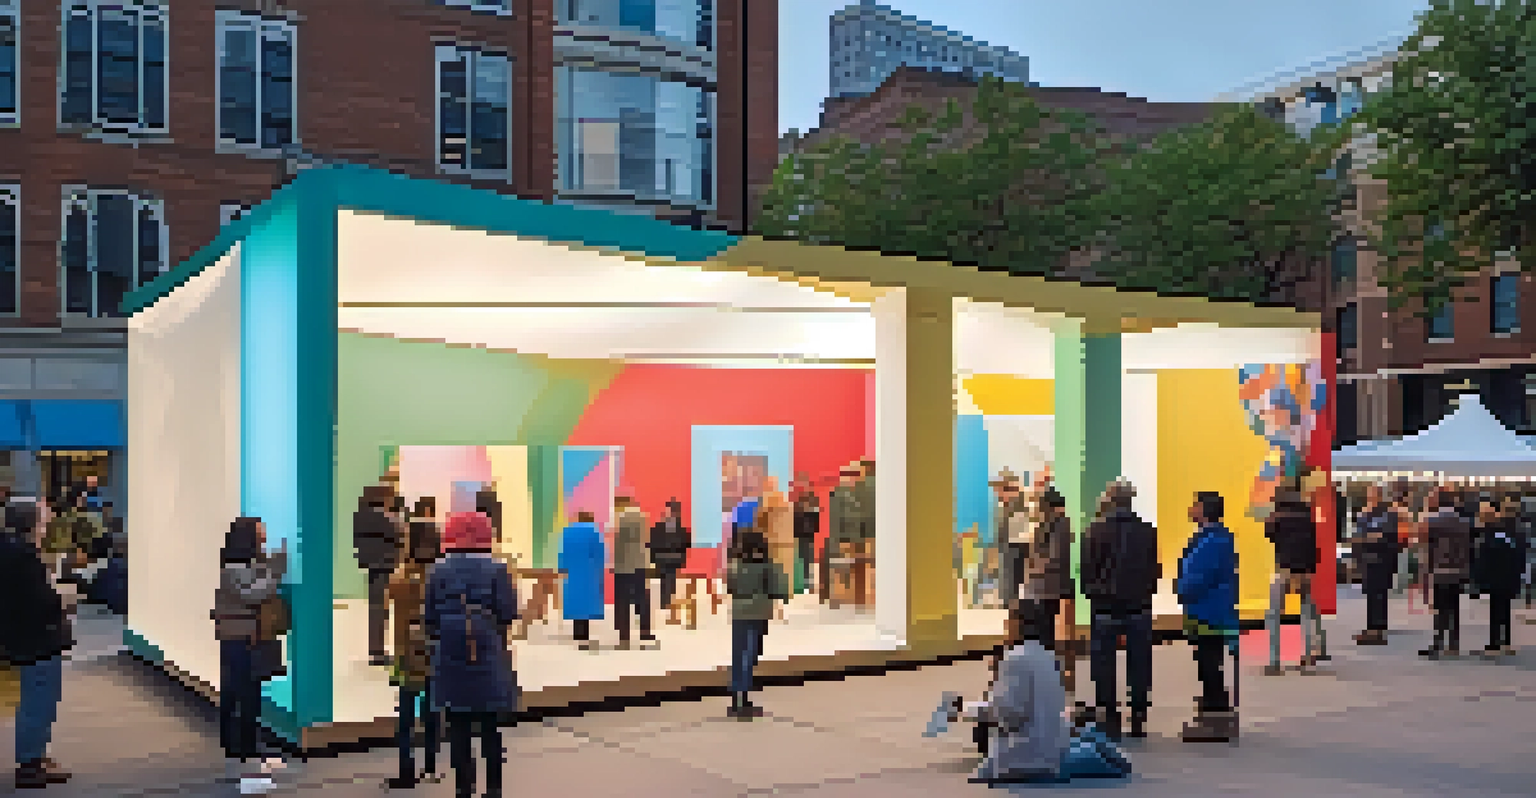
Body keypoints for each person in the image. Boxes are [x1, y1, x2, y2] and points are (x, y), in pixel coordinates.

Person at [956, 602, 1131, 785]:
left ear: (1018, 624)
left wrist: (971, 710)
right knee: (1083, 744)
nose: (1005, 627)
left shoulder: (1015, 659)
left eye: (1009, 621)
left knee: (978, 775)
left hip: (1026, 755)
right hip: (1053, 750)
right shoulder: (1048, 656)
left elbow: (1009, 714)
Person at [425, 512, 519, 798]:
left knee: (458, 728)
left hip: (451, 651)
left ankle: (463, 789)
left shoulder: (438, 570)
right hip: (487, 648)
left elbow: (428, 618)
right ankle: (493, 789)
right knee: (490, 727)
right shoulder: (497, 568)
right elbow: (508, 613)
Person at [211, 517, 289, 793]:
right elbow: (254, 593)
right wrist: (275, 572)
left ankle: (244, 747)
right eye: (260, 535)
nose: (264, 539)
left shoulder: (241, 567)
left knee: (244, 692)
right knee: (243, 693)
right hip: (238, 640)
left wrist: (271, 567)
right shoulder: (232, 571)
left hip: (243, 638)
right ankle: (242, 749)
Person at [0, 501, 75, 789]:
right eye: (43, 519)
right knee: (38, 700)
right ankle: (30, 763)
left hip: (25, 637)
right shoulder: (23, 555)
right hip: (35, 639)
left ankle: (35, 756)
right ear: (32, 523)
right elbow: (36, 602)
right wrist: (63, 601)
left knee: (39, 698)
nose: (47, 523)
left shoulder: (12, 550)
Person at [1081, 479, 1159, 741]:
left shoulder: (1094, 531)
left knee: (1103, 665)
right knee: (1139, 664)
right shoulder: (1147, 531)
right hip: (1138, 607)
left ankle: (1109, 718)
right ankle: (1138, 717)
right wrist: (1145, 594)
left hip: (1104, 608)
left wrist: (1095, 593)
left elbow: (1087, 572)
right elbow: (1153, 571)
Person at [385, 500, 443, 789]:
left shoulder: (402, 575)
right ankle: (431, 765)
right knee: (433, 710)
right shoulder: (441, 575)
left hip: (406, 653)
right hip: (436, 651)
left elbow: (390, 597)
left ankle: (406, 768)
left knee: (406, 714)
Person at [1175, 491, 1239, 743]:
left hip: (1208, 612)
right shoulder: (1214, 539)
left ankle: (1216, 719)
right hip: (1208, 610)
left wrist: (1181, 590)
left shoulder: (1212, 542)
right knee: (1209, 663)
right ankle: (1214, 714)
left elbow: (1198, 577)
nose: (1191, 508)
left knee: (1209, 664)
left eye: (1195, 504)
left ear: (1204, 509)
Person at [725, 525, 789, 719]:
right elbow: (777, 588)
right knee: (751, 654)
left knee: (739, 654)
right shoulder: (767, 565)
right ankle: (743, 698)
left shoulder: (735, 564)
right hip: (758, 612)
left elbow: (731, 587)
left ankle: (737, 697)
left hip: (739, 613)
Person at [1019, 486, 1076, 692]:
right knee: (1039, 632)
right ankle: (1041, 673)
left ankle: (1046, 675)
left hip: (1049, 587)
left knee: (1045, 632)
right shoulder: (1045, 525)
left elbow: (1056, 557)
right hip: (1038, 587)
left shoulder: (1060, 525)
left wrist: (1035, 567)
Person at [1263, 482, 1321, 675]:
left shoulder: (1277, 518)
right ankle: (1307, 654)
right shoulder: (1307, 518)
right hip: (1304, 571)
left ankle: (1274, 659)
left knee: (1274, 614)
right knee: (1306, 613)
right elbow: (1314, 547)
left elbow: (1269, 536)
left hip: (1285, 569)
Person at [356, 484, 405, 667]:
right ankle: (377, 651)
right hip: (383, 566)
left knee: (376, 607)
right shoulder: (380, 516)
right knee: (379, 609)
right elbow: (399, 531)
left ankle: (376, 648)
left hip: (373, 566)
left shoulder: (361, 515)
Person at [1473, 495, 1527, 657]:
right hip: (1509, 576)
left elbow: (1485, 556)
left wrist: (1480, 578)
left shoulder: (1491, 533)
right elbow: (1519, 555)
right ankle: (1505, 642)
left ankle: (1494, 642)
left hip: (1496, 576)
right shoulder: (1517, 532)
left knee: (1496, 609)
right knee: (1505, 608)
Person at [1421, 487, 1472, 659]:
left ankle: (1438, 643)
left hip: (1441, 568)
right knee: (1454, 607)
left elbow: (1422, 539)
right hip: (1459, 569)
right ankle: (1453, 644)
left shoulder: (1433, 520)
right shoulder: (1463, 521)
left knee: (1440, 608)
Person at [1353, 483, 1401, 645]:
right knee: (1370, 594)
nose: (1373, 497)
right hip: (1367, 559)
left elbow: (1387, 537)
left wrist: (1369, 538)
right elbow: (1357, 538)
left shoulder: (1389, 515)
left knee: (1379, 594)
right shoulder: (1363, 515)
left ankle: (1378, 629)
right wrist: (1370, 538)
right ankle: (1371, 627)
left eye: (1376, 494)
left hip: (1382, 560)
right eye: (1371, 493)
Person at [610, 494, 654, 649]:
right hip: (640, 563)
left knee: (622, 600)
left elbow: (618, 543)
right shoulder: (643, 517)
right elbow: (646, 540)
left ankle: (624, 633)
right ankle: (645, 630)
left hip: (623, 565)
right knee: (641, 597)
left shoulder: (619, 519)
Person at [559, 511, 606, 650]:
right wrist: (600, 567)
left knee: (575, 599)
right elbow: (599, 552)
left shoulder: (567, 531)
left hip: (572, 571)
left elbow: (562, 553)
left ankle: (577, 632)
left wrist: (562, 567)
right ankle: (584, 634)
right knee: (586, 601)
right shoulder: (593, 532)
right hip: (588, 571)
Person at [648, 499, 691, 625]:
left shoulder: (679, 529)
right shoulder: (660, 527)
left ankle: (667, 602)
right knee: (666, 579)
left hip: (669, 558)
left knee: (668, 578)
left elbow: (684, 543)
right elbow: (652, 542)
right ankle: (666, 602)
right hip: (665, 558)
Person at [826, 465, 863, 609]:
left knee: (850, 570)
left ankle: (849, 596)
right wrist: (835, 542)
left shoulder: (854, 494)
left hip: (854, 539)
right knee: (839, 569)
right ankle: (836, 598)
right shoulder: (838, 494)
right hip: (843, 539)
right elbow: (835, 520)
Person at [990, 469, 1027, 612]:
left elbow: (1017, 540)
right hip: (1008, 558)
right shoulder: (1005, 507)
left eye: (999, 489)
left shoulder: (1018, 507)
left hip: (1014, 559)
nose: (997, 493)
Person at [791, 475, 820, 594]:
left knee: (807, 559)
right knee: (800, 559)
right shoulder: (796, 502)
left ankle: (808, 583)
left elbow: (815, 518)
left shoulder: (813, 500)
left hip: (808, 535)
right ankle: (800, 583)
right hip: (798, 534)